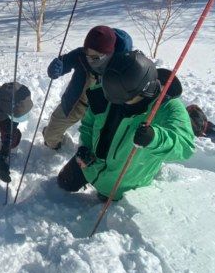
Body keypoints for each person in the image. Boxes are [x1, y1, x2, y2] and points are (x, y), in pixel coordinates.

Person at [57, 50, 195, 200]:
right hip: (91, 165)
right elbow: (88, 124)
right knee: (64, 182)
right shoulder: (108, 91)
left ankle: (104, 192)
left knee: (104, 198)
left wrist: (155, 139)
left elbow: (185, 146)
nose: (117, 103)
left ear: (144, 91)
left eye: (124, 100)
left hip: (120, 183)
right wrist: (85, 147)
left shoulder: (168, 107)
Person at [42, 26, 133, 150]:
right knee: (50, 137)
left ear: (108, 54)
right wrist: (55, 68)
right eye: (87, 53)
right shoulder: (81, 55)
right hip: (77, 103)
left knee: (98, 145)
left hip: (104, 110)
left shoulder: (123, 62)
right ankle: (59, 145)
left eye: (95, 57)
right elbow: (64, 62)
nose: (89, 59)